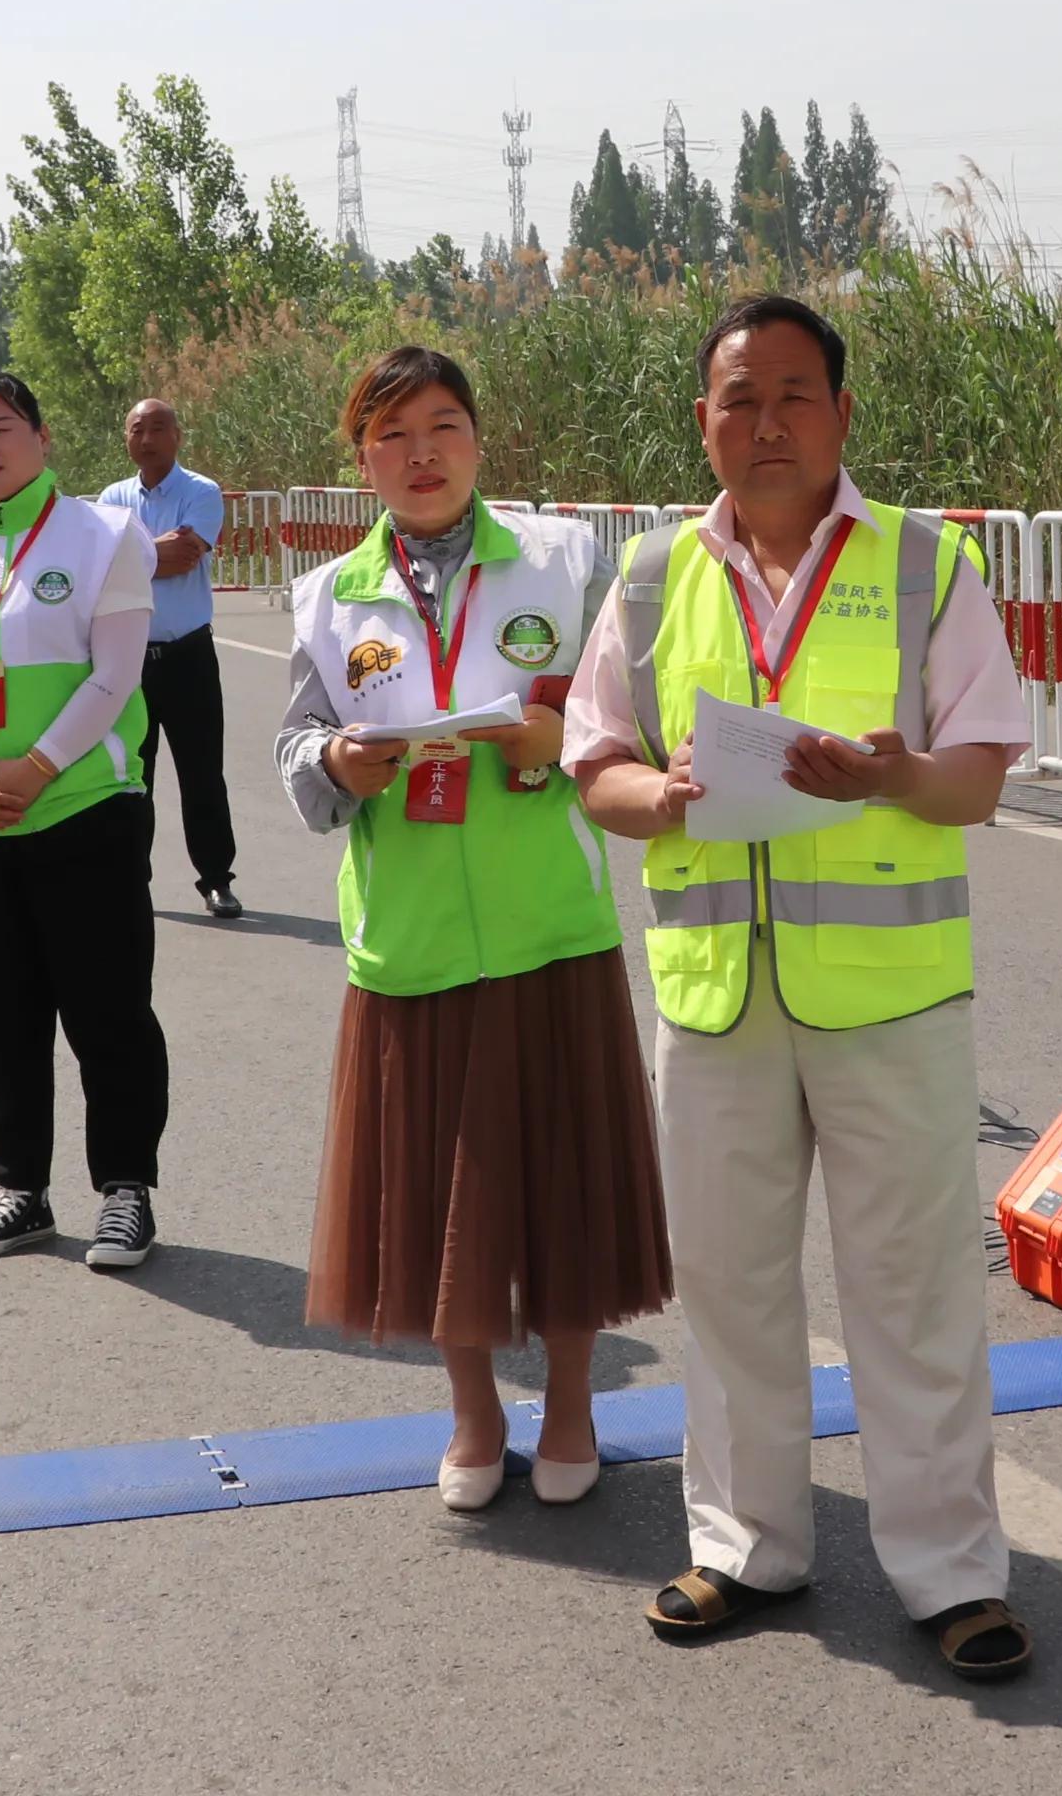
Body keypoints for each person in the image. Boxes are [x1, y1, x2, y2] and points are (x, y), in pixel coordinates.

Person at [569, 293, 1037, 1681]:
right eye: (736, 397)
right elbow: (597, 765)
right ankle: (743, 1545)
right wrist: (668, 795)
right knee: (729, 1285)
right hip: (713, 996)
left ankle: (952, 1573)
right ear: (702, 421)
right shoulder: (654, 575)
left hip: (890, 995)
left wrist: (892, 773)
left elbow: (979, 775)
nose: (764, 422)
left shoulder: (924, 565)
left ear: (841, 414)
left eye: (792, 394)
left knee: (915, 1288)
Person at [278, 347, 673, 1510]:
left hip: (548, 927)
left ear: (479, 440)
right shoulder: (326, 597)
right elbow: (296, 757)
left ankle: (572, 1405)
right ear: (362, 459)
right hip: (411, 943)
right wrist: (338, 759)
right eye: (393, 436)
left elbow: (628, 723)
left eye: (443, 425)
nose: (422, 453)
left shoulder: (561, 558)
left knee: (560, 1188)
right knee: (439, 1203)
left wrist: (564, 747)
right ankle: (471, 1413)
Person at [0, 371, 171, 1272]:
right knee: (4, 1018)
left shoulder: (106, 535)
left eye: (2, 428)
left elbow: (116, 676)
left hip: (83, 808)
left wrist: (37, 765)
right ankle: (20, 1190)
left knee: (108, 1013)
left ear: (42, 436)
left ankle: (126, 1190)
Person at [100, 396, 245, 918]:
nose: (147, 438)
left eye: (158, 428)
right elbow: (109, 569)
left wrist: (135, 554)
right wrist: (149, 554)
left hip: (188, 655)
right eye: (137, 429)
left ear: (177, 436)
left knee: (202, 772)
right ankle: (128, 878)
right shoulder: (112, 498)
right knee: (131, 774)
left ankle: (215, 879)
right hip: (129, 658)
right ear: (126, 438)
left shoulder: (200, 492)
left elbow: (185, 557)